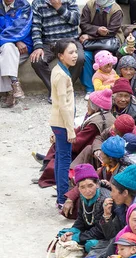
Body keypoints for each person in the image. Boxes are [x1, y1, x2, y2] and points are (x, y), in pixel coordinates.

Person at [29, 0, 84, 103]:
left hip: (70, 40)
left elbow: (76, 20)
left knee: (79, 58)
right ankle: (56, 90)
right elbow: (36, 27)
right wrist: (38, 46)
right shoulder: (37, 3)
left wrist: (59, 7)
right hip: (48, 42)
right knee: (36, 60)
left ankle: (66, 88)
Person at [49, 39, 77, 209]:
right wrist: (70, 129)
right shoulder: (61, 75)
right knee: (64, 160)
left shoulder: (59, 70)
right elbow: (63, 104)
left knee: (60, 157)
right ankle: (62, 199)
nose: (75, 56)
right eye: (71, 52)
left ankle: (60, 195)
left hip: (59, 122)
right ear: (61, 55)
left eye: (75, 52)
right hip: (62, 123)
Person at [57, 164, 110, 253]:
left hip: (105, 235)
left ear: (97, 184)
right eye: (82, 187)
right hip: (90, 231)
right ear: (78, 188)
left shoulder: (105, 200)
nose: (87, 191)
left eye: (90, 185)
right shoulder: (83, 197)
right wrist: (73, 231)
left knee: (90, 245)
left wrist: (76, 237)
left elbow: (100, 230)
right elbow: (81, 219)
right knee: (63, 234)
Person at [78, 0, 124, 98]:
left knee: (103, 58)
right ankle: (90, 88)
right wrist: (97, 30)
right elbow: (83, 24)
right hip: (90, 41)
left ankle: (105, 87)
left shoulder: (116, 10)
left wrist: (91, 37)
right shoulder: (90, 5)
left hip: (107, 42)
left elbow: (111, 31)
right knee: (86, 56)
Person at [0, 0, 31, 108]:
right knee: (6, 51)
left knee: (8, 49)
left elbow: (20, 29)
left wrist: (14, 40)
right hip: (4, 44)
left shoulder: (23, 5)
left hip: (21, 47)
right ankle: (14, 86)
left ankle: (9, 91)